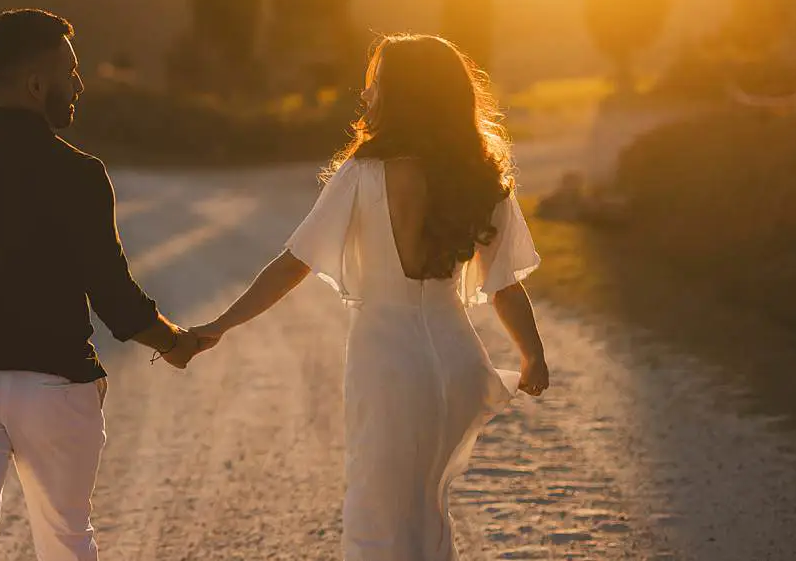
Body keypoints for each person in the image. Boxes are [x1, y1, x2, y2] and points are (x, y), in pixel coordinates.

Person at [0, 8, 212, 561]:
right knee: (66, 542)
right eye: (69, 71)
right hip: (55, 390)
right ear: (34, 83)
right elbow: (116, 302)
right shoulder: (79, 174)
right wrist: (175, 343)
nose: (78, 84)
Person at [194, 34, 550, 561]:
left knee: (377, 516)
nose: (367, 96)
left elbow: (294, 264)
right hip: (457, 362)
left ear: (400, 95)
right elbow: (505, 285)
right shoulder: (477, 178)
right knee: (428, 512)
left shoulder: (365, 173)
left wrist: (219, 324)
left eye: (376, 84)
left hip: (388, 361)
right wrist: (532, 355)